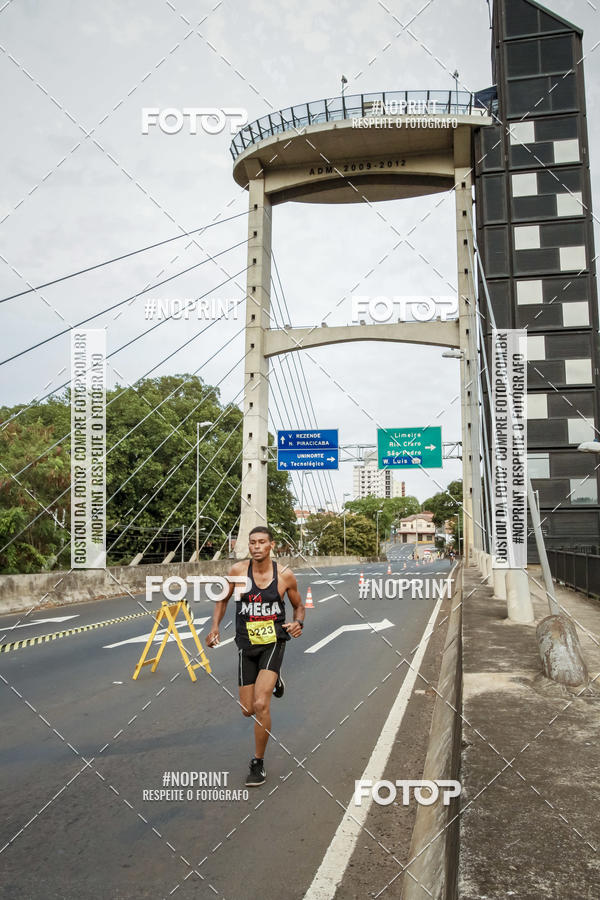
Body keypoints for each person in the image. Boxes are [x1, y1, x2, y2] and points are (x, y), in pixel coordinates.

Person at [206, 525, 304, 787]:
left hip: (274, 642)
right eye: (252, 542)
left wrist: (298, 623)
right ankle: (273, 679)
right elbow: (222, 599)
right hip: (246, 644)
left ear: (272, 545)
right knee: (247, 710)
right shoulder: (237, 571)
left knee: (261, 705)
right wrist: (215, 627)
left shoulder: (285, 575)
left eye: (261, 542)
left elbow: (299, 607)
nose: (256, 546)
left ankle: (258, 762)